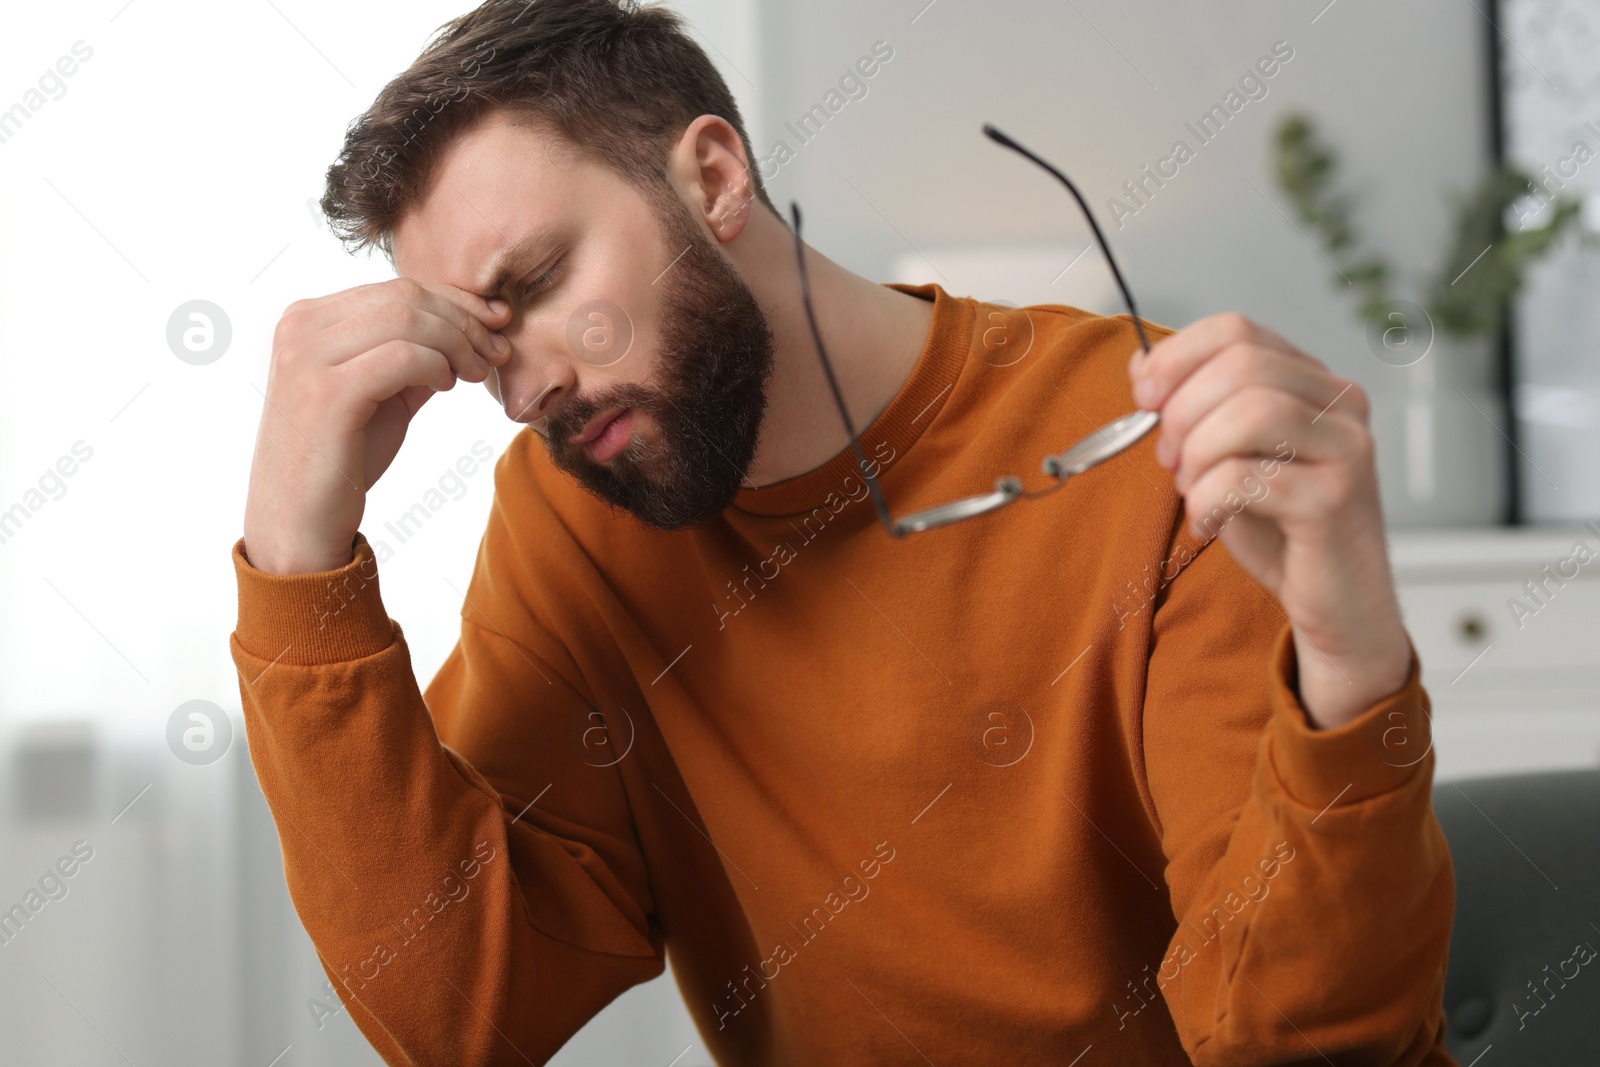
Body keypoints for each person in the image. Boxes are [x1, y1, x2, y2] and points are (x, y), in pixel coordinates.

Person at [229, 1, 1456, 1064]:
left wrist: (1348, 663)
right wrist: (296, 560)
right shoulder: (570, 521)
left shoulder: (1151, 444)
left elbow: (1296, 1038)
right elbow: (461, 1021)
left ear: (712, 179)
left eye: (537, 284)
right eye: (482, 343)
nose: (523, 387)